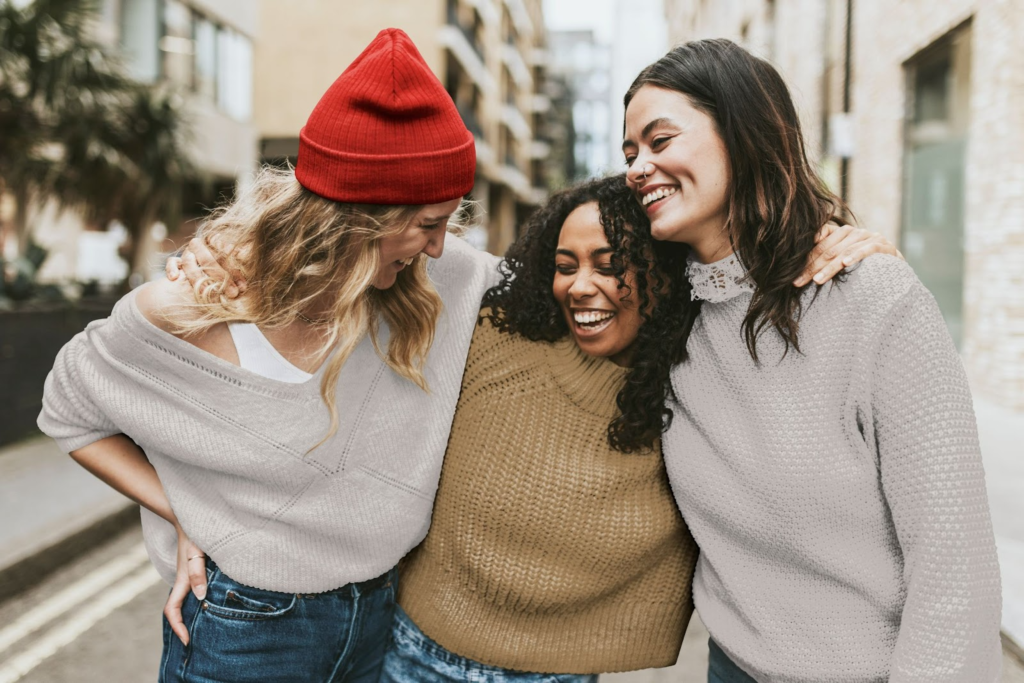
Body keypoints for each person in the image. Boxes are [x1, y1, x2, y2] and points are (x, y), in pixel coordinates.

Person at [37, 28, 497, 682]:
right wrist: (180, 508)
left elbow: (570, 276)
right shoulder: (189, 303)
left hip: (381, 615)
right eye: (427, 223)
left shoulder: (443, 277)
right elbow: (68, 412)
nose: (436, 246)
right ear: (362, 216)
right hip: (245, 624)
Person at [620, 38, 1002, 682]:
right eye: (629, 153)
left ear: (744, 134)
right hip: (732, 668)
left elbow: (955, 573)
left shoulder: (871, 298)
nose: (637, 168)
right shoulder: (661, 315)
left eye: (660, 141)